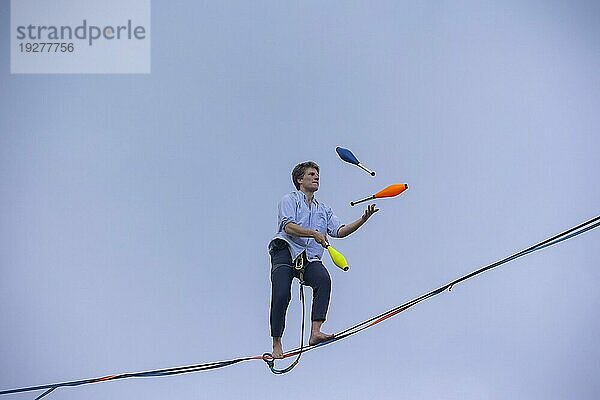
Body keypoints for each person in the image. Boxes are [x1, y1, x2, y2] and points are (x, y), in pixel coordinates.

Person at [268, 161, 379, 359]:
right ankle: (277, 343)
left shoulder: (324, 209)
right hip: (285, 250)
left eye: (317, 175)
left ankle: (315, 332)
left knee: (323, 280)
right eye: (311, 174)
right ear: (299, 180)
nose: (316, 177)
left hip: (310, 257)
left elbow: (339, 231)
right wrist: (313, 233)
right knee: (282, 294)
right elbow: (288, 227)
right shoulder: (289, 199)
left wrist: (363, 220)